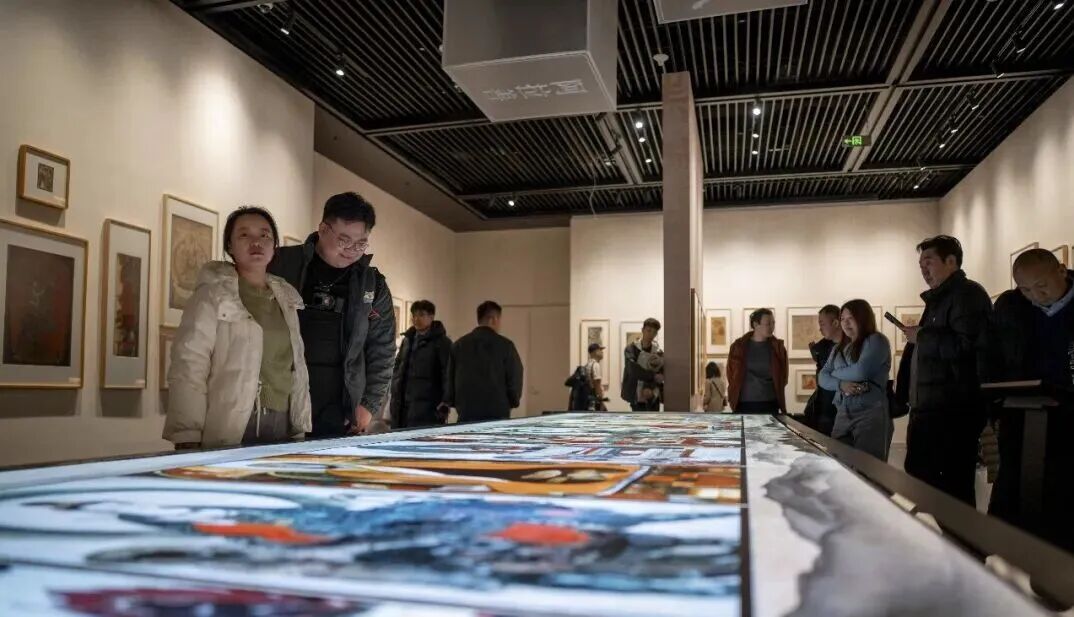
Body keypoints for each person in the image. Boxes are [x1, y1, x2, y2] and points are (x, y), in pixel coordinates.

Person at [164, 206, 311, 449]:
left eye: (265, 235)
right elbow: (189, 365)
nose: (256, 242)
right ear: (230, 246)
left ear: (274, 245)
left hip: (282, 422)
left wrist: (299, 422)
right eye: (244, 234)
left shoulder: (287, 299)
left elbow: (296, 368)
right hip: (232, 420)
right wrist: (187, 434)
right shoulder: (213, 295)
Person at [269, 192, 396, 438]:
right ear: (323, 229)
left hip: (342, 408)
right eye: (344, 240)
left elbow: (383, 348)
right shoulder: (282, 264)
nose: (352, 250)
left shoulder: (372, 284)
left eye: (361, 243)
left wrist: (368, 405)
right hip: (281, 397)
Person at [980, 248, 1074, 552]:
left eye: (1041, 286)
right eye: (1025, 289)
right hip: (1023, 416)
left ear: (1061, 271)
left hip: (1068, 419)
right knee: (1017, 495)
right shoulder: (1011, 307)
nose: (1035, 296)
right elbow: (992, 357)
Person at [896, 235, 991, 504]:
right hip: (929, 410)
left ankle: (957, 534)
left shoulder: (967, 294)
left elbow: (969, 348)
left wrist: (922, 336)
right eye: (920, 265)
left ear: (951, 261)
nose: (923, 269)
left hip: (951, 413)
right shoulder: (940, 299)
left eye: (929, 262)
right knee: (923, 483)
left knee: (951, 490)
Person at [819, 300, 893, 460]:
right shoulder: (838, 348)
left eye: (850, 318)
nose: (845, 323)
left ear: (863, 318)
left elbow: (861, 371)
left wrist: (834, 373)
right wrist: (841, 385)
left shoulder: (876, 340)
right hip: (843, 412)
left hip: (870, 412)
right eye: (843, 319)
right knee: (838, 463)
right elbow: (822, 378)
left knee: (868, 466)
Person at [445, 301, 524, 423]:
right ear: (493, 319)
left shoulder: (459, 345)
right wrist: (512, 401)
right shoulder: (505, 346)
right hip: (497, 414)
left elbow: (450, 381)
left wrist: (454, 402)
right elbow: (515, 378)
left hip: (467, 413)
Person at [389, 299, 451, 430]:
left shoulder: (442, 343)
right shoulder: (408, 340)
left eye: (421, 315)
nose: (416, 319)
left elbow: (448, 373)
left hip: (428, 407)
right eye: (414, 315)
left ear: (431, 317)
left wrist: (446, 401)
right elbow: (397, 367)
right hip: (402, 406)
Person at [727, 308, 788, 414]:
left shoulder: (778, 348)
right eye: (768, 324)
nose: (772, 327)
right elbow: (731, 374)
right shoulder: (738, 347)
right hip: (744, 403)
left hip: (770, 403)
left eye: (773, 323)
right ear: (755, 324)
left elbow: (783, 377)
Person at [805, 304, 843, 435]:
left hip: (845, 411)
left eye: (822, 324)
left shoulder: (854, 347)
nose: (820, 329)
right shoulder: (820, 349)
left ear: (835, 323)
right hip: (824, 411)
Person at [621, 318, 665, 411]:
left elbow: (661, 374)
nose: (651, 335)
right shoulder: (631, 349)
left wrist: (652, 388)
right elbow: (633, 369)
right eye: (649, 330)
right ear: (643, 330)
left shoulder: (658, 352)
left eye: (654, 332)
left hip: (652, 396)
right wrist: (653, 376)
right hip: (636, 395)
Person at [586, 343, 608, 411]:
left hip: (589, 399)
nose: (602, 352)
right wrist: (601, 401)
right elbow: (597, 384)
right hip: (595, 399)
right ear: (595, 352)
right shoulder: (595, 365)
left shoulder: (588, 364)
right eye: (600, 350)